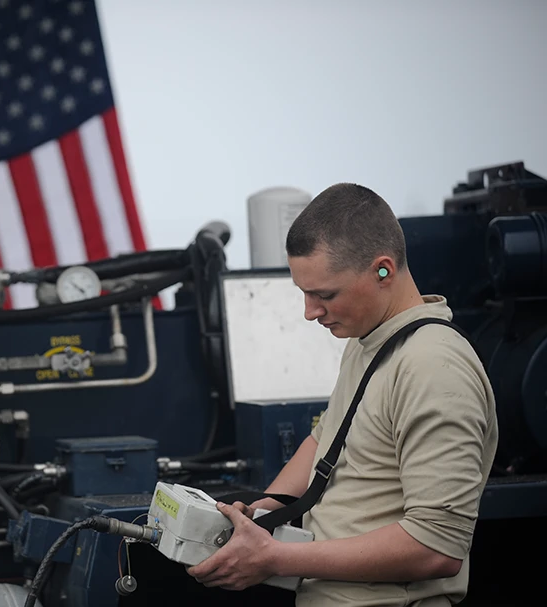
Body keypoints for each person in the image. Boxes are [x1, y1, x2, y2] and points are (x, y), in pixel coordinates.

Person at [187, 183, 498, 605]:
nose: (309, 312)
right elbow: (326, 439)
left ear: (383, 270)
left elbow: (436, 548)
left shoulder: (433, 368)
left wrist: (277, 557)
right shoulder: (369, 339)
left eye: (324, 294)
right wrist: (262, 514)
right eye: (304, 293)